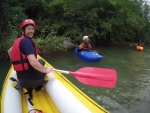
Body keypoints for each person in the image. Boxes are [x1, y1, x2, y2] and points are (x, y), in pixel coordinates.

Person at [8, 19, 53, 91]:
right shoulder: (27, 41)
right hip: (33, 81)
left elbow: (10, 51)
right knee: (41, 62)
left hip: (22, 80)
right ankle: (39, 83)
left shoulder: (19, 40)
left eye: (32, 29)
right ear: (23, 31)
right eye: (29, 29)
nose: (31, 31)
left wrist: (16, 63)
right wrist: (45, 70)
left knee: (40, 62)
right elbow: (33, 62)